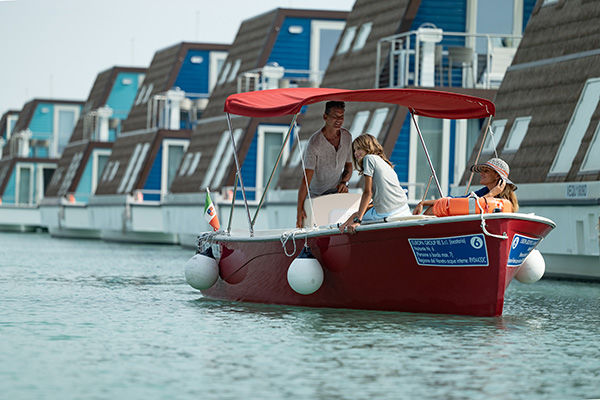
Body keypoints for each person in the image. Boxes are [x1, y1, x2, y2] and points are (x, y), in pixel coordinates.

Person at [296, 101, 353, 227]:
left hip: (337, 194)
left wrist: (344, 182)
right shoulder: (314, 143)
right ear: (325, 117)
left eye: (341, 116)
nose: (339, 120)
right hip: (317, 197)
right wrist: (299, 211)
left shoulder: (347, 137)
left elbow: (349, 166)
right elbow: (306, 180)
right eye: (335, 116)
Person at [339, 134, 411, 233]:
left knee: (356, 216)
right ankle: (345, 224)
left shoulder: (368, 159)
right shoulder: (384, 162)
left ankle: (342, 228)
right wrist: (359, 213)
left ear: (368, 147)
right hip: (403, 208)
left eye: (359, 148)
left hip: (387, 212)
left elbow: (368, 193)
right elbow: (380, 196)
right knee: (358, 213)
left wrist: (358, 220)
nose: (356, 153)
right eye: (354, 150)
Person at [412, 157, 519, 215]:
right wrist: (423, 203)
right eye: (482, 171)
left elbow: (478, 205)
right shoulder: (483, 192)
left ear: (497, 176)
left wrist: (492, 194)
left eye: (486, 171)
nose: (481, 174)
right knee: (433, 209)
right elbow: (458, 200)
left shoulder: (504, 201)